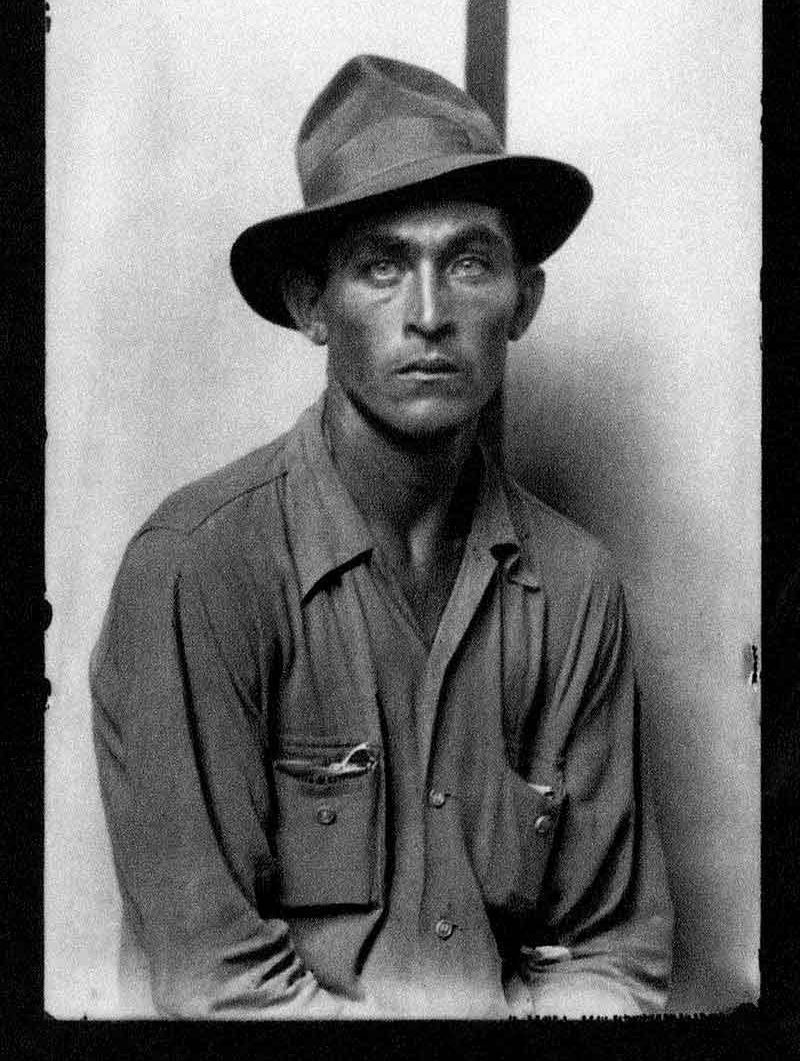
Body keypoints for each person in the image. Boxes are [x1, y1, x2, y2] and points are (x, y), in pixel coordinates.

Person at [90, 54, 673, 1019]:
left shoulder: (575, 586)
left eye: (470, 263)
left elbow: (612, 951)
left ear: (524, 301)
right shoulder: (197, 569)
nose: (430, 315)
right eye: (381, 265)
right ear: (310, 304)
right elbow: (216, 982)